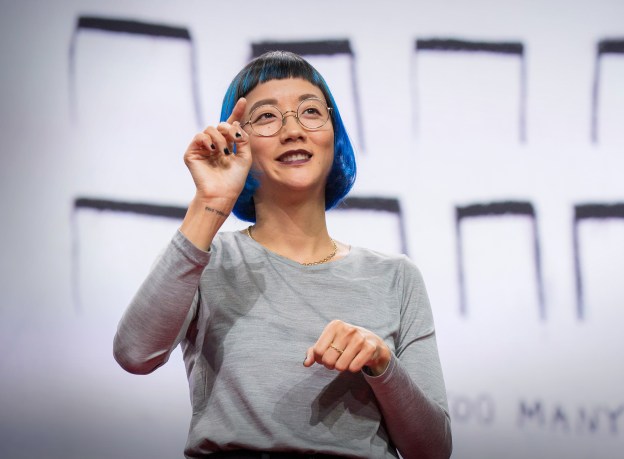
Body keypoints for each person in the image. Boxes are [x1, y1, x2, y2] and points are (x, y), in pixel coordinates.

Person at [113, 51, 452, 459]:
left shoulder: (396, 277)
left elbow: (433, 450)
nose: (293, 130)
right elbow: (135, 354)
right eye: (267, 117)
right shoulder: (208, 259)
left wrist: (382, 362)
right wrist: (209, 203)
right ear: (235, 141)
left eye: (310, 112)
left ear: (334, 136)